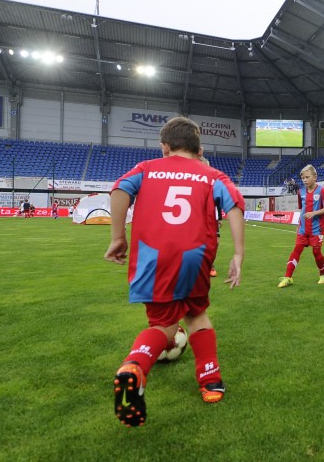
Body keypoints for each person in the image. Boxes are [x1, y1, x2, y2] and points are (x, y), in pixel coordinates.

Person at [104, 116, 245, 427]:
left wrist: (118, 237)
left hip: (152, 258)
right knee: (196, 315)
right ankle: (210, 381)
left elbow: (119, 190)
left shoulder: (146, 168)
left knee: (163, 323)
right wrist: (238, 253)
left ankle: (134, 365)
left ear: (164, 147)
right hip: (195, 256)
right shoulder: (212, 174)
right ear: (199, 150)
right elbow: (234, 204)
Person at [278, 165, 324, 288]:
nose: (305, 180)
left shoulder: (322, 191)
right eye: (303, 178)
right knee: (296, 250)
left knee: (316, 252)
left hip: (317, 228)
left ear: (315, 177)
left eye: (307, 177)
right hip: (303, 229)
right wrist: (299, 224)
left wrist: (314, 213)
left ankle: (323, 274)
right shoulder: (300, 192)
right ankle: (288, 277)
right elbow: (302, 210)